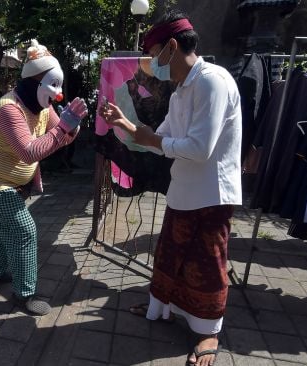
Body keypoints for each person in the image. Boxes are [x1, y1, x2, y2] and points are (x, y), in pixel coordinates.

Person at [99, 10, 241, 366]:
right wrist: (126, 125)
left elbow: (200, 148)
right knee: (171, 257)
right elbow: (160, 139)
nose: (150, 63)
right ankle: (160, 309)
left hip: (211, 193)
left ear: (172, 47)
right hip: (184, 189)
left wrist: (152, 139)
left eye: (153, 53)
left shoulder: (212, 81)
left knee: (207, 263)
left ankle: (208, 332)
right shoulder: (181, 91)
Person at [0, 40, 87, 315]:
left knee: (0, 227)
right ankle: (25, 294)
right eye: (54, 85)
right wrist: (64, 130)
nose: (58, 94)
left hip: (13, 182)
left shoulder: (43, 106)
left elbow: (63, 138)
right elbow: (30, 152)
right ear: (36, 82)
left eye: (60, 86)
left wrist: (73, 124)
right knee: (24, 231)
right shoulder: (9, 109)